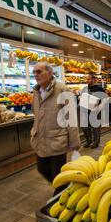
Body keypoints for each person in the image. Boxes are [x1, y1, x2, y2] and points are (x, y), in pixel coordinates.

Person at [30, 62, 80, 194]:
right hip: (40, 139)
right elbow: (35, 112)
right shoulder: (36, 91)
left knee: (58, 174)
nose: (36, 75)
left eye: (39, 71)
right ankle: (66, 189)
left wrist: (75, 142)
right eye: (34, 72)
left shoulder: (62, 90)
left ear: (50, 73)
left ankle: (60, 198)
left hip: (57, 140)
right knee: (42, 169)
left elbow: (71, 118)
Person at [79, 74, 107, 148]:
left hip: (96, 111)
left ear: (94, 80)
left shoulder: (99, 88)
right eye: (87, 79)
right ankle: (88, 140)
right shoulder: (85, 88)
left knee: (95, 128)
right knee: (85, 127)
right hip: (86, 110)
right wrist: (79, 97)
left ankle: (96, 142)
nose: (87, 80)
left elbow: (104, 99)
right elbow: (81, 96)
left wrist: (100, 107)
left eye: (89, 79)